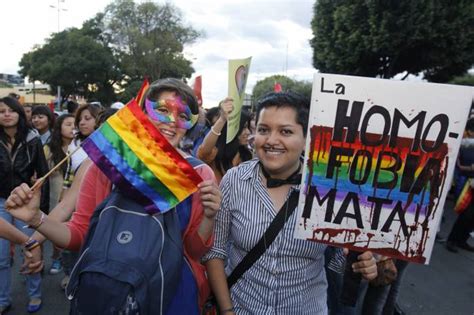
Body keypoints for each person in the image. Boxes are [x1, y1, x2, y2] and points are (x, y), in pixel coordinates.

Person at [6, 78, 222, 314]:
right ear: (142, 113)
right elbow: (80, 234)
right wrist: (37, 218)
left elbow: (193, 251)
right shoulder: (107, 164)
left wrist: (209, 217)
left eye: (183, 115)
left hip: (170, 296)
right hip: (108, 295)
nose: (172, 121)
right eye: (161, 110)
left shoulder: (198, 174)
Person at [204, 92, 377, 314]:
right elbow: (215, 251)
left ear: (306, 139)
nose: (271, 140)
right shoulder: (234, 180)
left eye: (285, 131)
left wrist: (359, 265)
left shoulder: (330, 187)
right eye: (264, 130)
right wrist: (227, 310)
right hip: (242, 308)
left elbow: (335, 264)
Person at [0, 96, 49, 313]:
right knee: (0, 256)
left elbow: (42, 174)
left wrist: (42, 209)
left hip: (25, 203)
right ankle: (2, 299)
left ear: (19, 113)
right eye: (2, 111)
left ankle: (35, 294)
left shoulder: (32, 138)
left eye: (11, 110)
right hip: (0, 202)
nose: (6, 114)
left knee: (30, 248)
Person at [43, 114, 75, 275]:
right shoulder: (49, 148)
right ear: (59, 127)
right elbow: (41, 172)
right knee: (56, 231)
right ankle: (56, 257)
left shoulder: (82, 147)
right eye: (68, 124)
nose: (73, 127)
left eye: (74, 124)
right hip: (55, 197)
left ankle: (69, 272)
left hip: (75, 197)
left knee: (73, 233)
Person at [197, 98, 253, 183]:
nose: (248, 132)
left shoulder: (247, 155)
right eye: (244, 128)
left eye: (248, 128)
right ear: (231, 129)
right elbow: (204, 151)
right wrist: (222, 119)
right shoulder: (215, 153)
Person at [446, 118, 474, 253]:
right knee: (467, 213)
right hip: (470, 181)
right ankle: (453, 240)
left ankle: (462, 239)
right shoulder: (467, 142)